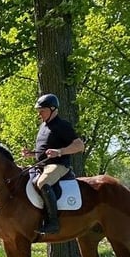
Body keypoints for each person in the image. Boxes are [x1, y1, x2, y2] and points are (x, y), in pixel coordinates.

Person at [21, 93, 84, 234]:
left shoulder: (63, 125)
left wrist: (59, 151)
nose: (39, 114)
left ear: (53, 109)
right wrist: (31, 153)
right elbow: (43, 151)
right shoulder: (43, 126)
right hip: (41, 165)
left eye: (42, 111)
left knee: (42, 182)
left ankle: (53, 222)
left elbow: (80, 146)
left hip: (59, 165)